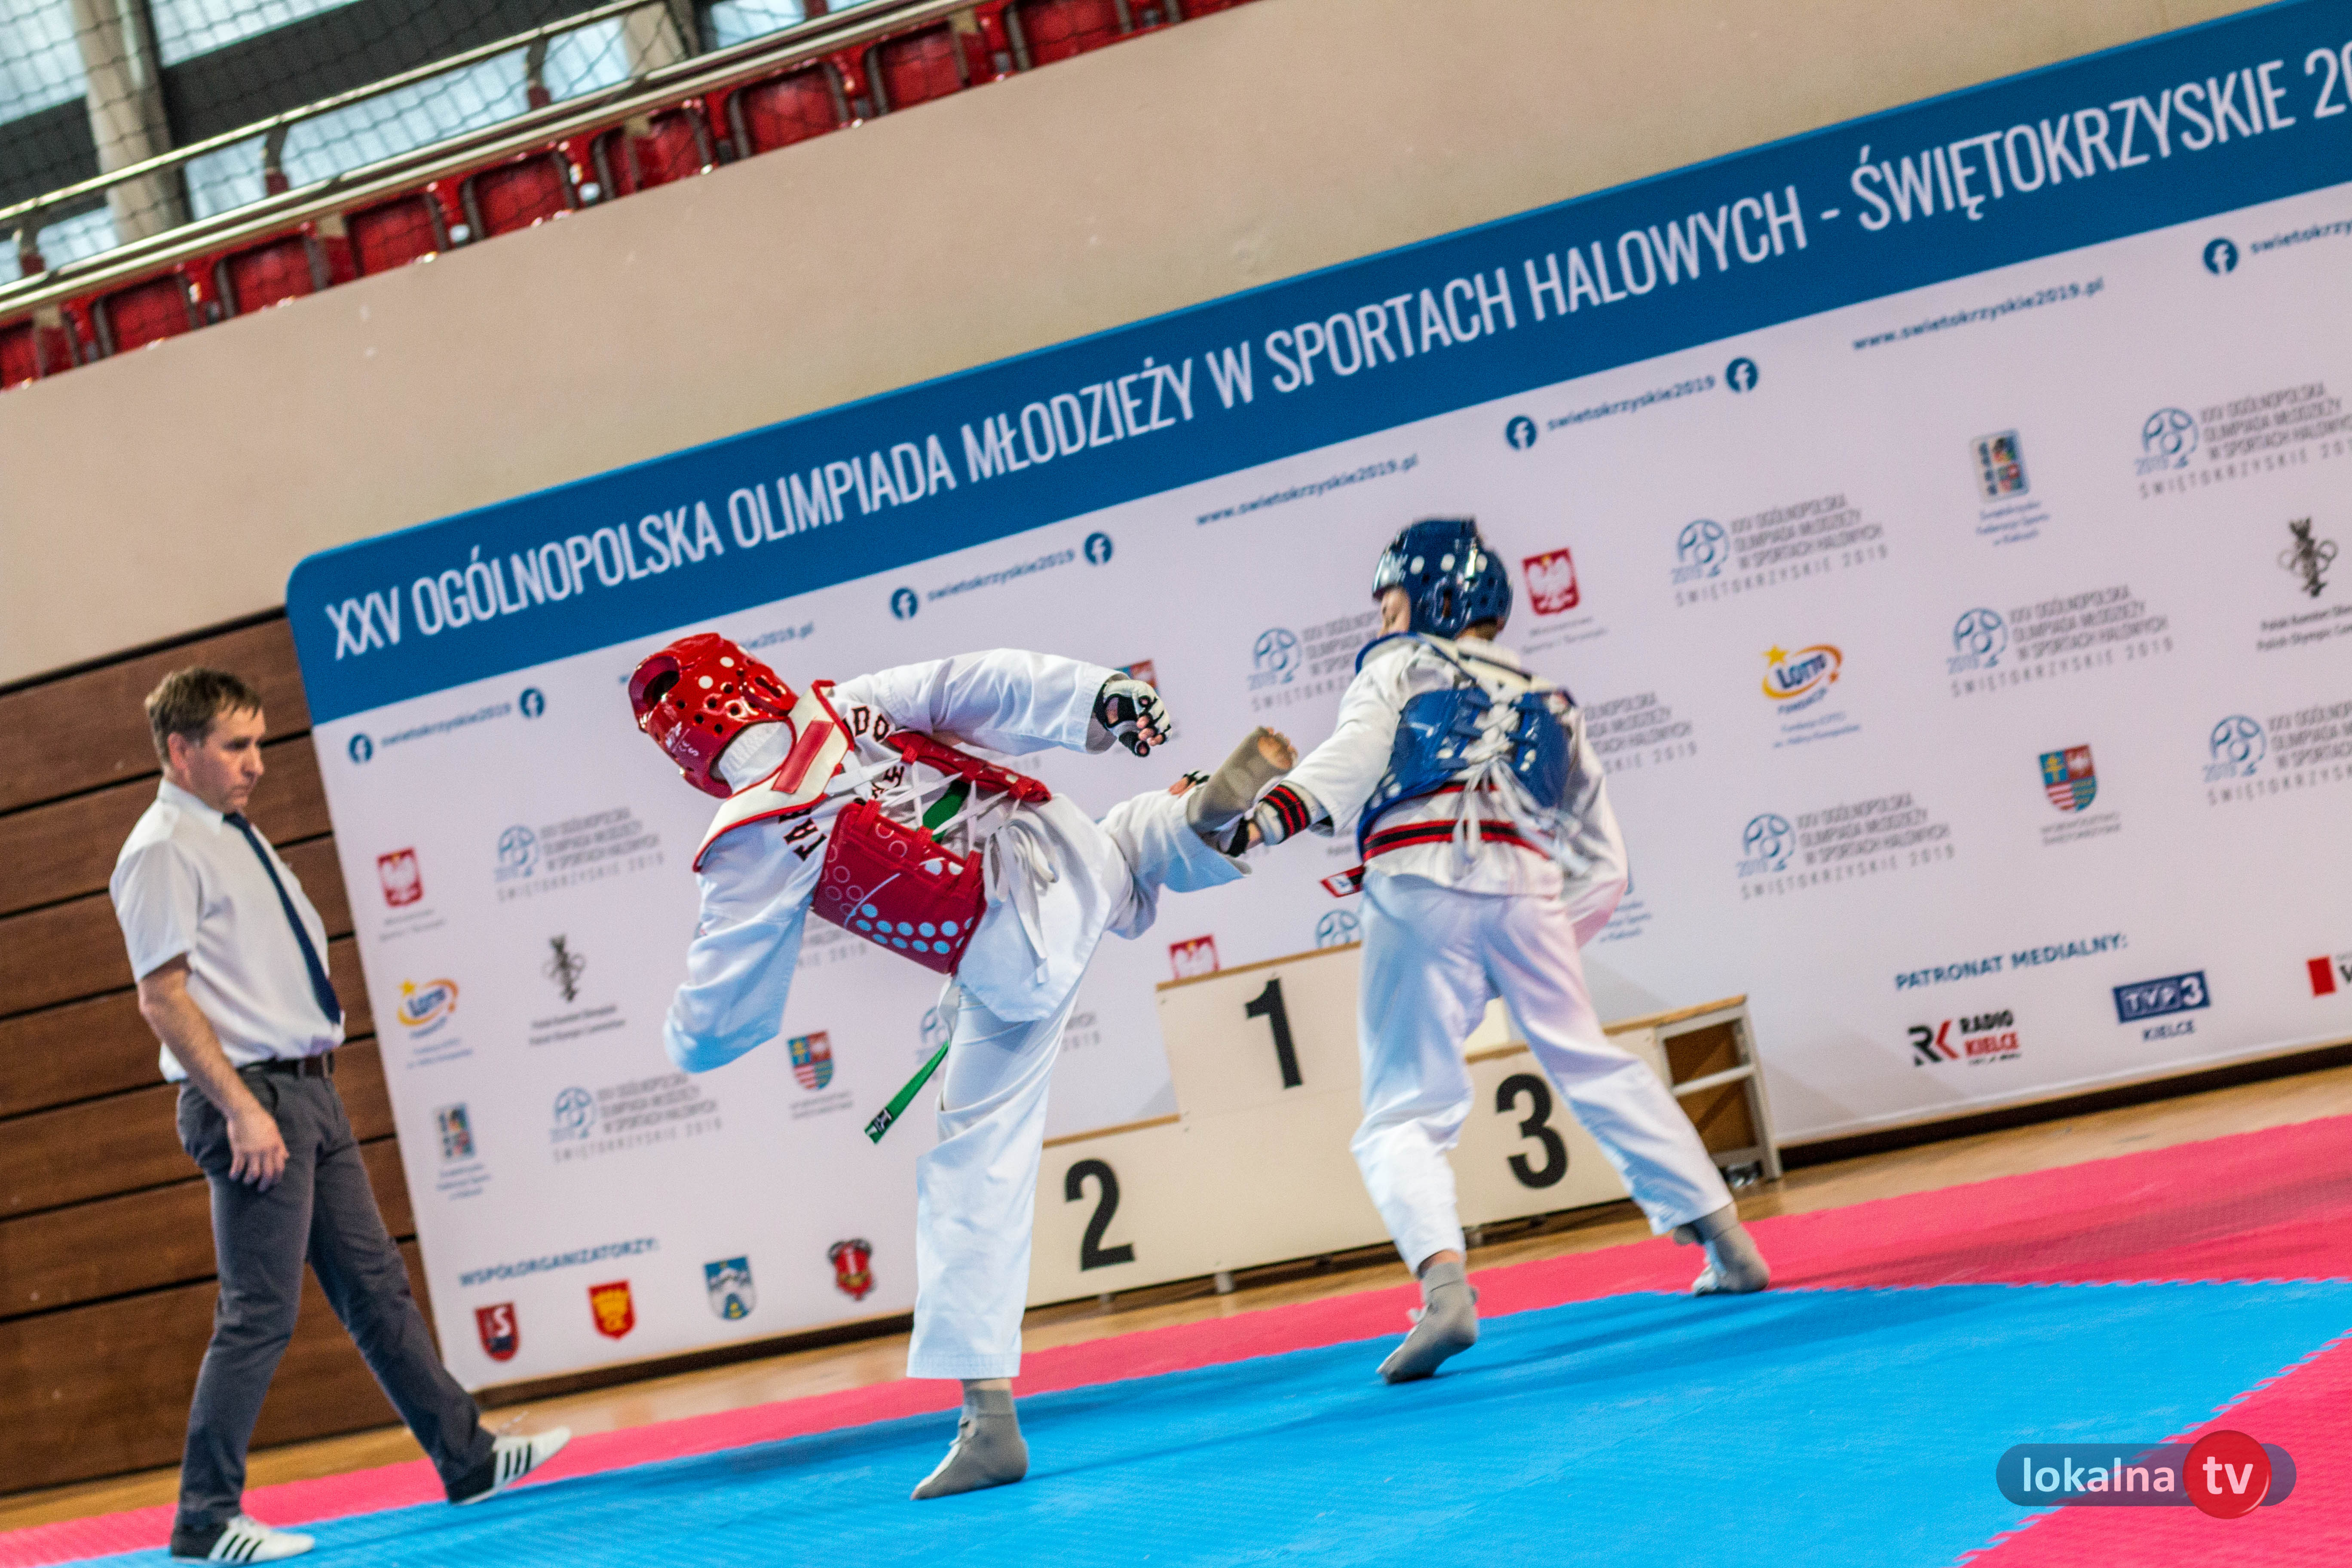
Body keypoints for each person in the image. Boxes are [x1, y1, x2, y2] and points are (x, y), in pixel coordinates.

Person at [635, 636, 1289, 1499]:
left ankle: (989, 1420)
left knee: (976, 1161)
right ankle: (1192, 818)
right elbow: (977, 682)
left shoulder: (749, 839)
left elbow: (716, 1026)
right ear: (759, 680)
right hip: (1062, 844)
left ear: (689, 757)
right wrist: (1099, 697)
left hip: (1014, 955)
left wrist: (682, 1037)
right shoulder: (849, 702)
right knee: (1121, 849)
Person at [1235, 519, 1770, 1383]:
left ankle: (1446, 1293)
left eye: (1390, 601)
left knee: (1403, 1107)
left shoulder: (1398, 664)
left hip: (1416, 881)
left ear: (1435, 597)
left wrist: (1269, 816)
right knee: (1592, 1061)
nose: (1381, 618)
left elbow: (1356, 753)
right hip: (1528, 888)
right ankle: (1729, 1242)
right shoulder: (1552, 698)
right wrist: (1540, 938)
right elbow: (1606, 866)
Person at [110, 669, 570, 1563]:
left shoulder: (232, 833)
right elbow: (161, 996)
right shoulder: (163, 847)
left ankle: (467, 1457)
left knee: (375, 1288)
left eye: (259, 742)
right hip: (254, 1099)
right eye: (236, 746)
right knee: (259, 1312)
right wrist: (241, 1108)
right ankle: (205, 1518)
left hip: (308, 1091)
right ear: (180, 750)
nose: (257, 762)